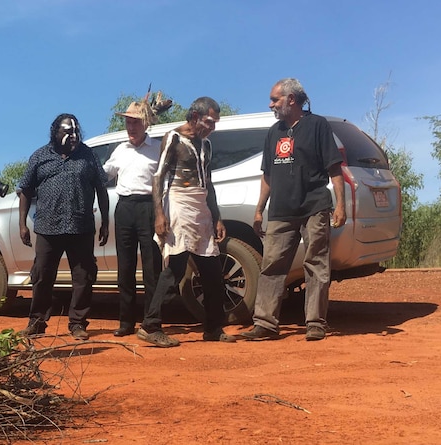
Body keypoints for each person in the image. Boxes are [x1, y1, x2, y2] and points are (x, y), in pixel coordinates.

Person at [240, 78, 346, 342]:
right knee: (272, 265)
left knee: (316, 264)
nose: (270, 104)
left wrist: (341, 205)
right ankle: (265, 323)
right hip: (280, 210)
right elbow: (267, 175)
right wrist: (258, 209)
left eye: (275, 99)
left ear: (291, 99)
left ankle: (315, 323)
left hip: (314, 205)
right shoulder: (274, 132)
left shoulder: (317, 125)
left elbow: (335, 168)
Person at [144, 96, 237, 347]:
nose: (212, 127)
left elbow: (209, 183)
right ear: (194, 117)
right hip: (178, 203)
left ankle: (214, 327)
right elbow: (157, 177)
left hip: (201, 208)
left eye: (215, 122)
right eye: (209, 121)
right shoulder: (173, 138)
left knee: (212, 271)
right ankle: (151, 325)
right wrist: (160, 215)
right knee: (175, 267)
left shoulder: (206, 144)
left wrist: (217, 217)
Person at [18, 114, 110, 340]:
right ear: (55, 132)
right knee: (41, 276)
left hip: (81, 226)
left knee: (84, 277)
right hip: (48, 227)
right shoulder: (40, 156)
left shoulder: (88, 155)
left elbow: (101, 188)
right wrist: (22, 224)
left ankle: (78, 323)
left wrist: (105, 221)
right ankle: (37, 322)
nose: (73, 136)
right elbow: (26, 190)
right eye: (67, 131)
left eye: (76, 131)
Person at [103, 101, 163, 337]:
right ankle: (126, 322)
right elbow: (105, 173)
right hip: (125, 208)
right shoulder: (120, 149)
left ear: (145, 123)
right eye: (128, 121)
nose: (131, 126)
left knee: (152, 267)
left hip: (149, 206)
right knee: (125, 267)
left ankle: (151, 321)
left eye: (136, 121)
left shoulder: (158, 148)